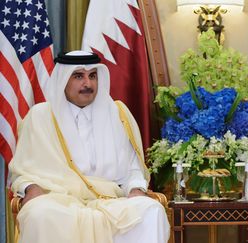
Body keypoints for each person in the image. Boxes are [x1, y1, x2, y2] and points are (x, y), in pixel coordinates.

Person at [8, 51, 170, 243]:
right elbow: (23, 171)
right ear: (63, 80)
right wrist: (31, 187)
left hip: (111, 200)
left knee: (152, 210)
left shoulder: (117, 114)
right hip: (58, 201)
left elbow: (132, 170)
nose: (88, 84)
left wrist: (136, 189)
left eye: (92, 76)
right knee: (39, 214)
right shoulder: (40, 116)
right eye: (78, 76)